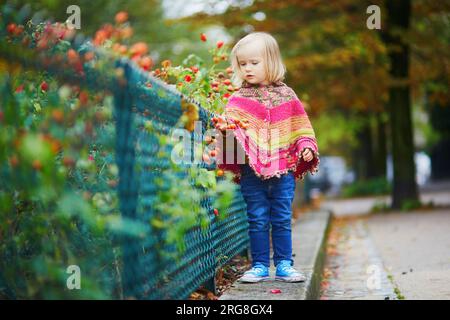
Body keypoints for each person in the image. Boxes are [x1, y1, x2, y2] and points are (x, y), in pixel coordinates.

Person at [212, 32, 319, 283]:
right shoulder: (238, 99)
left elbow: (300, 127)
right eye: (242, 64)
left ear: (270, 62)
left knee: (281, 217)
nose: (247, 68)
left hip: (283, 170)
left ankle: (284, 265)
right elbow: (233, 130)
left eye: (254, 62)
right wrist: (226, 131)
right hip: (252, 171)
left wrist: (305, 146)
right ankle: (259, 265)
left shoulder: (288, 96)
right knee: (257, 217)